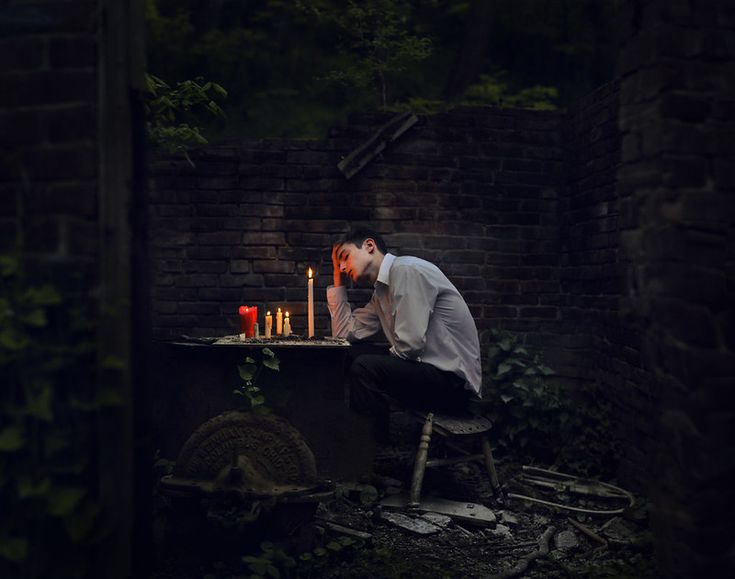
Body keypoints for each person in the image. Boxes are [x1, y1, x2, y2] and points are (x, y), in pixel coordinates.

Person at [327, 229, 482, 429]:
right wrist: (337, 279)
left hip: (454, 387)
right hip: (429, 376)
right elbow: (342, 336)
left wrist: (377, 366)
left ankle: (371, 446)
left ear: (369, 246)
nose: (341, 266)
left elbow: (410, 346)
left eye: (344, 257)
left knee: (365, 366)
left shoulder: (407, 270)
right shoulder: (381, 292)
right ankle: (366, 437)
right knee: (348, 354)